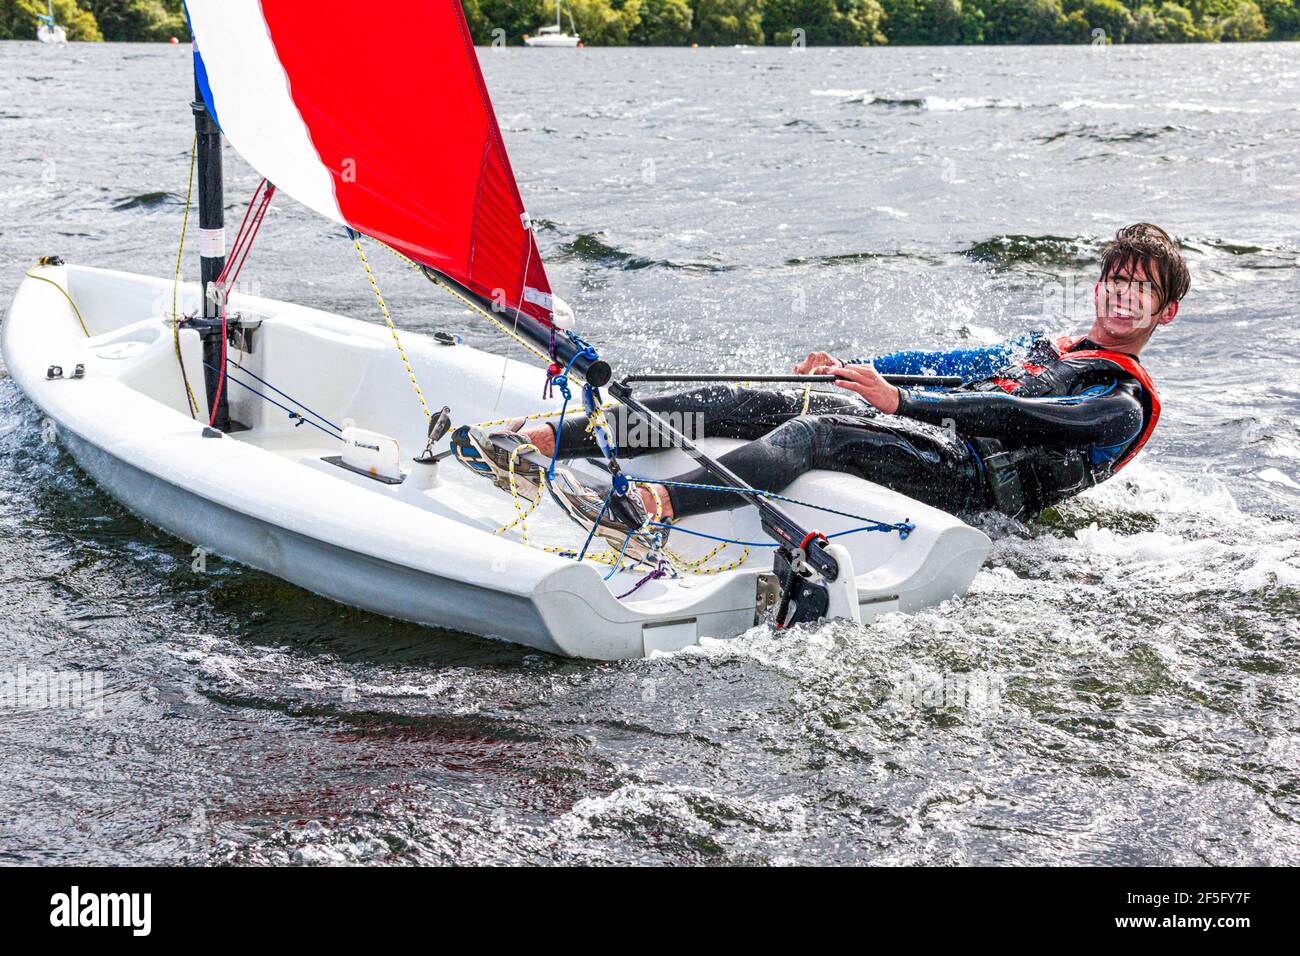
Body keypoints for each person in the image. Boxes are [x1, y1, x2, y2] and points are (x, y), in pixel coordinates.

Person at [454, 223, 1189, 557]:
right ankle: (546, 440)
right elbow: (955, 365)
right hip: (934, 438)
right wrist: (856, 367)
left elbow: (1013, 413)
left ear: (1165, 311)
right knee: (758, 401)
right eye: (1115, 282)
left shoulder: (1119, 405)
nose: (1122, 298)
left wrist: (903, 405)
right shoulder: (1056, 345)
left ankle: (655, 507)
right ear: (1098, 285)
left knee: (818, 436)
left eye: (1141, 292)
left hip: (971, 485)